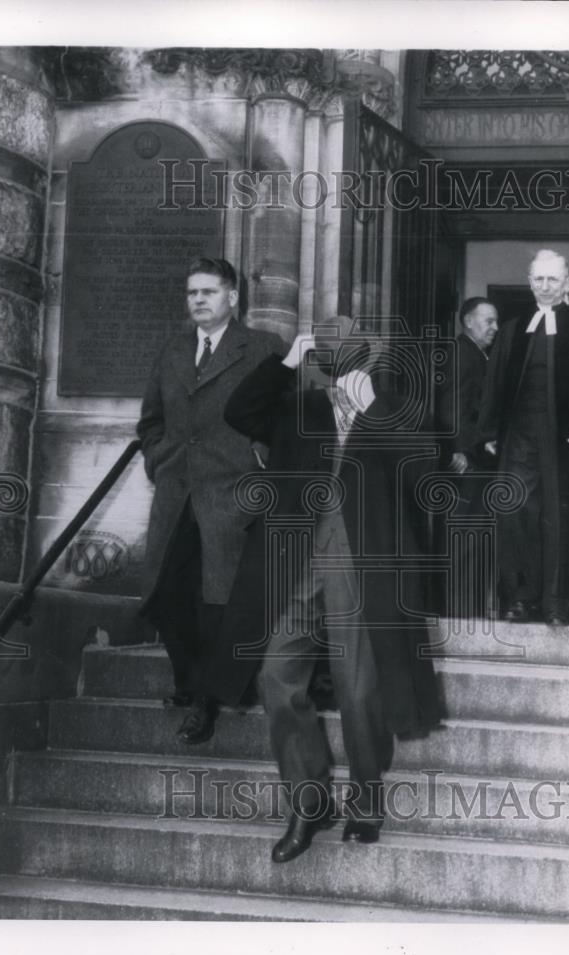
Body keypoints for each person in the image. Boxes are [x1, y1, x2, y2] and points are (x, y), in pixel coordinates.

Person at [204, 317, 440, 862]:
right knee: (275, 673)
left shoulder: (392, 411)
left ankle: (365, 799)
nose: (340, 370)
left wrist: (375, 406)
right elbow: (239, 413)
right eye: (329, 357)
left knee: (360, 689)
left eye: (349, 357)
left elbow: (423, 471)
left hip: (358, 565)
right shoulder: (300, 409)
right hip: (297, 564)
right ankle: (309, 802)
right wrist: (285, 361)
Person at [137, 257, 283, 744]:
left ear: (233, 297)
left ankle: (204, 699)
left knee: (214, 600)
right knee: (166, 596)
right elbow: (150, 422)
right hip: (177, 494)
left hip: (232, 495)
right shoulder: (173, 351)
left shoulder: (264, 348)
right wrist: (158, 458)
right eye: (192, 293)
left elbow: (286, 420)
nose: (198, 300)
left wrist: (262, 467)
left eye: (209, 292)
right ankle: (190, 682)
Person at [478, 250, 569, 626]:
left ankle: (557, 602)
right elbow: (493, 385)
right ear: (530, 283)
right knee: (515, 510)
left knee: (559, 517)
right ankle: (520, 598)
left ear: (565, 283)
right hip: (520, 435)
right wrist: (491, 428)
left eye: (553, 280)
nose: (545, 287)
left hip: (564, 436)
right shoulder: (513, 328)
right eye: (539, 280)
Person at [436, 297, 499, 617]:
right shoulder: (463, 353)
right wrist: (459, 448)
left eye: (496, 322)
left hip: (475, 459)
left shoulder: (477, 355)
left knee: (472, 538)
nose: (494, 328)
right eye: (489, 321)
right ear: (468, 322)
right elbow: (452, 404)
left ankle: (466, 610)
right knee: (464, 539)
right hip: (467, 464)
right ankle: (460, 612)